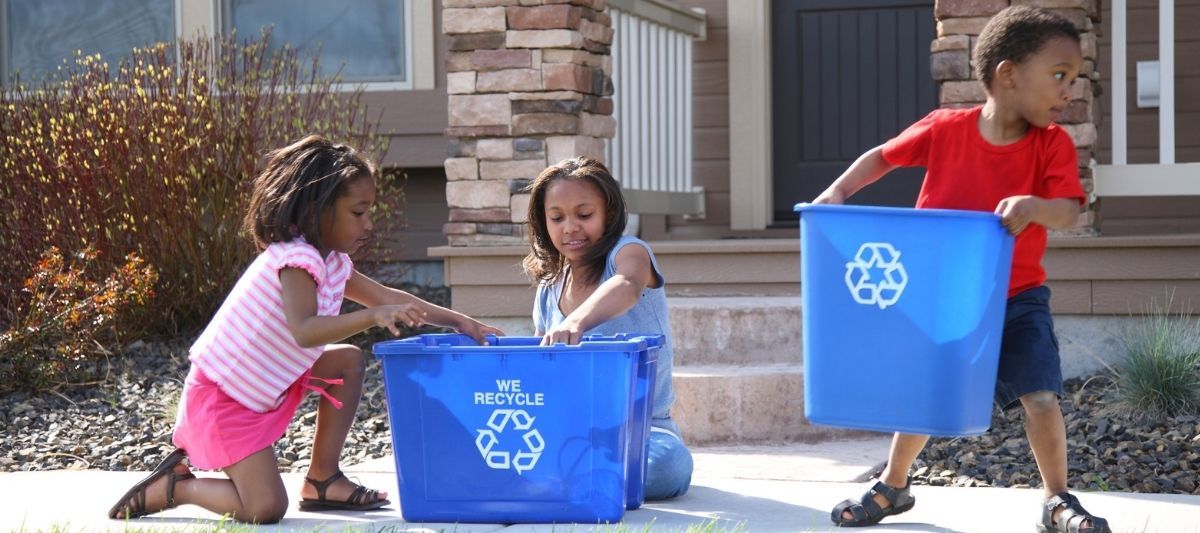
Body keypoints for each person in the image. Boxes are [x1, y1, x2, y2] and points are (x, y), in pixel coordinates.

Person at [814, 7, 1109, 532]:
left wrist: (1035, 207)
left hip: (1018, 297)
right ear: (1009, 74)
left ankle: (1058, 500)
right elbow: (882, 157)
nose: (1069, 90)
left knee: (1041, 396)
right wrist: (838, 192)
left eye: (1075, 78)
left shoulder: (1051, 144)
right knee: (925, 396)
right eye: (1059, 75)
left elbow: (1069, 209)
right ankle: (894, 485)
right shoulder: (945, 129)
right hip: (944, 297)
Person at [108, 135, 503, 523]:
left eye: (369, 212)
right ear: (318, 211)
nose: (368, 224)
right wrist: (370, 317)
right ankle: (177, 486)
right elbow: (305, 331)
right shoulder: (297, 259)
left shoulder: (331, 261)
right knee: (264, 508)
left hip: (261, 383)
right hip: (224, 397)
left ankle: (322, 479)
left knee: (348, 362)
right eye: (358, 212)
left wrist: (459, 321)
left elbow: (384, 295)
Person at [522, 156, 693, 500]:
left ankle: (571, 476)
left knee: (667, 466)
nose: (570, 227)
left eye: (584, 215)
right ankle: (582, 474)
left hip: (643, 432)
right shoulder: (549, 287)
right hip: (570, 431)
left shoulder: (629, 253)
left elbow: (627, 284)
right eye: (557, 217)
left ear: (609, 215)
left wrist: (577, 320)